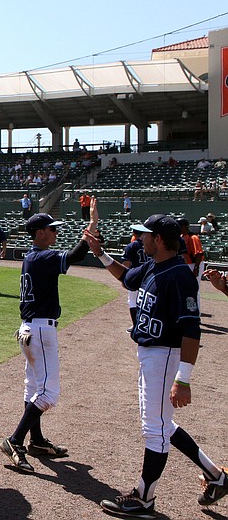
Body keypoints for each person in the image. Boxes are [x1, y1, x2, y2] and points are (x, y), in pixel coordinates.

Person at [86, 213, 228, 517]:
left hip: (165, 356)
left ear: (159, 240)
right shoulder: (154, 264)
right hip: (151, 355)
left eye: (145, 235)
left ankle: (144, 498)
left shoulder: (179, 276)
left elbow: (192, 330)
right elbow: (126, 278)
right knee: (163, 426)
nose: (140, 239)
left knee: (155, 429)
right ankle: (217, 476)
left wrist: (184, 379)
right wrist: (99, 253)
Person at [0, 210, 92, 473]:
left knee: (33, 387)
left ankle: (37, 441)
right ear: (39, 233)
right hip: (40, 330)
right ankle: (15, 440)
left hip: (29, 329)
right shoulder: (42, 256)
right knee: (49, 393)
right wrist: (90, 229)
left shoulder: (32, 256)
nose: (56, 232)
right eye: (52, 229)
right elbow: (75, 256)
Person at [120, 230, 149, 331]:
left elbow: (126, 264)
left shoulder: (131, 246)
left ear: (134, 234)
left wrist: (124, 279)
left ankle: (136, 326)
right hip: (150, 276)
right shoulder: (152, 244)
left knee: (133, 301)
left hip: (135, 277)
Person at [178, 218, 204, 310]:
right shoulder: (182, 236)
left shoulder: (193, 237)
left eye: (179, 226)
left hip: (194, 264)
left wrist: (196, 268)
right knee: (186, 289)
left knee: (194, 289)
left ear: (184, 226)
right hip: (188, 264)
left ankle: (197, 313)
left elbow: (199, 253)